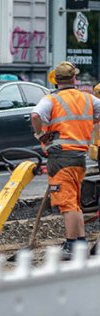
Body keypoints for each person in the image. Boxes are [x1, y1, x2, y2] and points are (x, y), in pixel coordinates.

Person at [31, 61, 100, 260]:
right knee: (74, 202)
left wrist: (40, 135)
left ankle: (71, 246)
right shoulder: (88, 99)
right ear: (74, 78)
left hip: (60, 157)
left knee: (67, 204)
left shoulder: (51, 100)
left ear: (56, 80)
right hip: (79, 157)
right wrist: (89, 122)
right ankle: (79, 242)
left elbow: (35, 115)